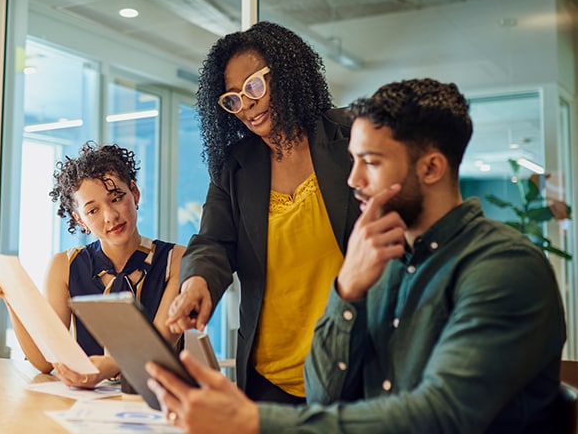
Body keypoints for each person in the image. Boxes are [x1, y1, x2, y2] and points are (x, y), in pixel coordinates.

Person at [147, 78, 567, 433]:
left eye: (371, 162)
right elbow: (323, 391)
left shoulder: (505, 269)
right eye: (353, 161)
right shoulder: (382, 262)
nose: (354, 179)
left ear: (432, 168)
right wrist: (346, 290)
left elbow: (442, 415)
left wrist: (253, 420)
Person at [166, 21, 360, 404]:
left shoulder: (352, 138)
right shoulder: (235, 167)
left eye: (254, 86)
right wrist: (197, 283)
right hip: (270, 380)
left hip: (354, 370)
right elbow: (213, 242)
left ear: (287, 75)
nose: (246, 105)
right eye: (232, 99)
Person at [0, 142, 185, 388]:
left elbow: (160, 345)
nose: (110, 216)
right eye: (93, 210)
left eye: (117, 198)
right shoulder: (64, 266)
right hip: (88, 404)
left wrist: (108, 366)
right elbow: (46, 361)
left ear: (135, 193)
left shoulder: (176, 260)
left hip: (162, 400)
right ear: (80, 220)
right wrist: (8, 294)